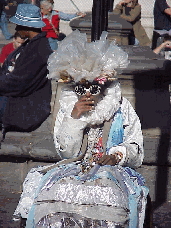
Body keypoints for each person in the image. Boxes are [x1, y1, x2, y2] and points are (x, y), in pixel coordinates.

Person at [13, 30, 149, 228]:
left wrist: (118, 155)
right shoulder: (69, 107)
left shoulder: (120, 107)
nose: (87, 94)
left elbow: (136, 145)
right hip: (74, 168)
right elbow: (65, 152)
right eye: (80, 89)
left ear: (103, 87)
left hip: (111, 171)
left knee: (107, 196)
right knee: (56, 192)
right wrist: (74, 119)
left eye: (94, 88)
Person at [0, 4, 52, 139]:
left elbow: (17, 83)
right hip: (14, 98)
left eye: (19, 25)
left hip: (25, 106)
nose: (16, 28)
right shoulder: (31, 45)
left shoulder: (39, 50)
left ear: (27, 28)